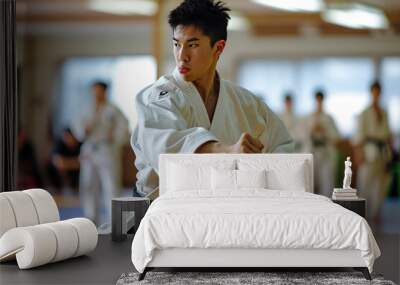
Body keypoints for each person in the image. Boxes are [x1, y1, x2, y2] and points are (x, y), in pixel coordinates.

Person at [131, 0, 293, 197]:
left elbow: (282, 146)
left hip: (222, 208)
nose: (182, 56)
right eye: (177, 44)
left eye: (192, 45)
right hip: (160, 210)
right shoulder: (156, 97)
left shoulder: (245, 102)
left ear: (218, 48)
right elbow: (167, 152)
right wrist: (229, 151)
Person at [79, 81, 129, 226]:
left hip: (107, 149)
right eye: (94, 90)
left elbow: (123, 128)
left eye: (99, 90)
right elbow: (78, 128)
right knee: (88, 184)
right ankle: (91, 219)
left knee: (111, 185)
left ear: (105, 91)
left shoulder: (113, 110)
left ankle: (116, 222)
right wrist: (83, 131)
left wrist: (115, 137)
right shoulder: (86, 109)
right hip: (90, 148)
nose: (97, 93)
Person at [354, 81, 392, 220]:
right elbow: (358, 137)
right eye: (374, 92)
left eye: (378, 92)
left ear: (380, 93)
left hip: (382, 153)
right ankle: (362, 215)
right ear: (371, 93)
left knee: (380, 185)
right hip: (368, 152)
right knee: (365, 184)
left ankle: (376, 213)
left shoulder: (384, 112)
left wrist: (391, 155)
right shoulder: (364, 113)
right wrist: (359, 155)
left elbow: (388, 136)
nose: (376, 95)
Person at [303, 90, 340, 197]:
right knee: (310, 182)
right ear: (315, 100)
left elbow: (336, 138)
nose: (319, 102)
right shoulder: (308, 118)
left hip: (325, 153)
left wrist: (325, 131)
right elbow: (301, 136)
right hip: (312, 151)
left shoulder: (329, 118)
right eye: (317, 100)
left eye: (321, 100)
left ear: (323, 100)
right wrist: (312, 130)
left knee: (326, 183)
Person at [47, 128, 81, 193]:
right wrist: (75, 162)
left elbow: (83, 163)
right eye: (64, 137)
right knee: (51, 167)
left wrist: (66, 163)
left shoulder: (80, 144)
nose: (66, 139)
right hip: (62, 175)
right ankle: (58, 188)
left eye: (68, 137)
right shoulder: (60, 143)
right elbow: (58, 163)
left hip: (76, 175)